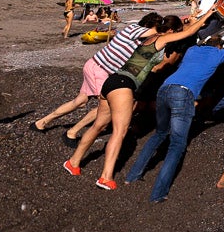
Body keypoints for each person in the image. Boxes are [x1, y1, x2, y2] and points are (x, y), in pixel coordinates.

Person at [65, 11, 212, 190]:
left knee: (98, 126)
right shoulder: (162, 40)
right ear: (170, 31)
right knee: (120, 132)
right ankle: (105, 177)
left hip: (112, 81)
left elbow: (180, 28)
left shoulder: (150, 36)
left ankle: (73, 162)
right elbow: (187, 33)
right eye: (174, 32)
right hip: (124, 85)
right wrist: (207, 15)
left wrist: (191, 19)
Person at [125, 30, 224, 202]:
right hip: (184, 94)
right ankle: (158, 194)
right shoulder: (219, 54)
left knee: (159, 134)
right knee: (177, 145)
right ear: (219, 47)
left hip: (165, 89)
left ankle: (132, 176)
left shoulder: (192, 50)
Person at [33, 12, 163, 138]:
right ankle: (72, 132)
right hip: (99, 70)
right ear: (148, 25)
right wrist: (170, 31)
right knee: (107, 106)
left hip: (95, 66)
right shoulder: (135, 29)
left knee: (80, 101)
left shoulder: (139, 39)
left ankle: (42, 122)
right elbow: (154, 33)